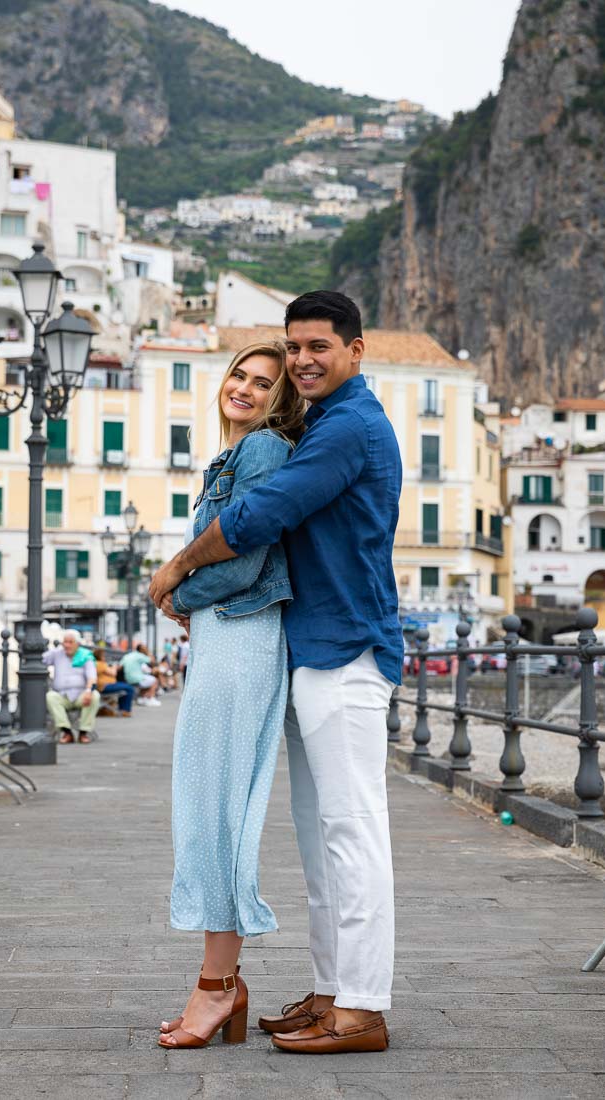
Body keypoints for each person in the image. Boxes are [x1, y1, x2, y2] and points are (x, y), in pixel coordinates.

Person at [151, 291, 403, 1055]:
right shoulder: (323, 425)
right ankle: (330, 990)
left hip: (345, 645)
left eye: (317, 346)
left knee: (351, 831)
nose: (301, 360)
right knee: (319, 835)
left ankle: (361, 1007)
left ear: (355, 351)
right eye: (294, 347)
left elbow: (262, 518)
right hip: (309, 646)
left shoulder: (350, 427)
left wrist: (173, 571)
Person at [156, 338, 305, 1050]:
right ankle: (225, 982)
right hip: (225, 638)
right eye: (238, 376)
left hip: (240, 638)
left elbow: (245, 559)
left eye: (262, 383)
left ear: (280, 400)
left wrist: (174, 587)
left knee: (213, 807)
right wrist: (189, 600)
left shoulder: (264, 451)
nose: (243, 389)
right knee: (208, 803)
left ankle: (216, 988)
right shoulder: (239, 454)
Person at [43, 630, 99, 743]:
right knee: (50, 696)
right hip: (62, 695)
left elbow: (92, 678)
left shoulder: (85, 655)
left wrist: (88, 691)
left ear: (77, 644)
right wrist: (57, 649)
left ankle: (84, 732)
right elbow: (42, 659)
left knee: (95, 695)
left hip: (80, 695)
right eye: (65, 642)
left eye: (70, 642)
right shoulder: (58, 653)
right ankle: (66, 731)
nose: (67, 645)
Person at [93, 647, 135, 716]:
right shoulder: (100, 664)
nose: (105, 657)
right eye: (103, 655)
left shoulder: (96, 663)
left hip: (103, 686)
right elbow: (113, 673)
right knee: (129, 688)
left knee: (125, 688)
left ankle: (122, 709)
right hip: (104, 686)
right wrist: (114, 667)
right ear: (99, 656)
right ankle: (125, 710)